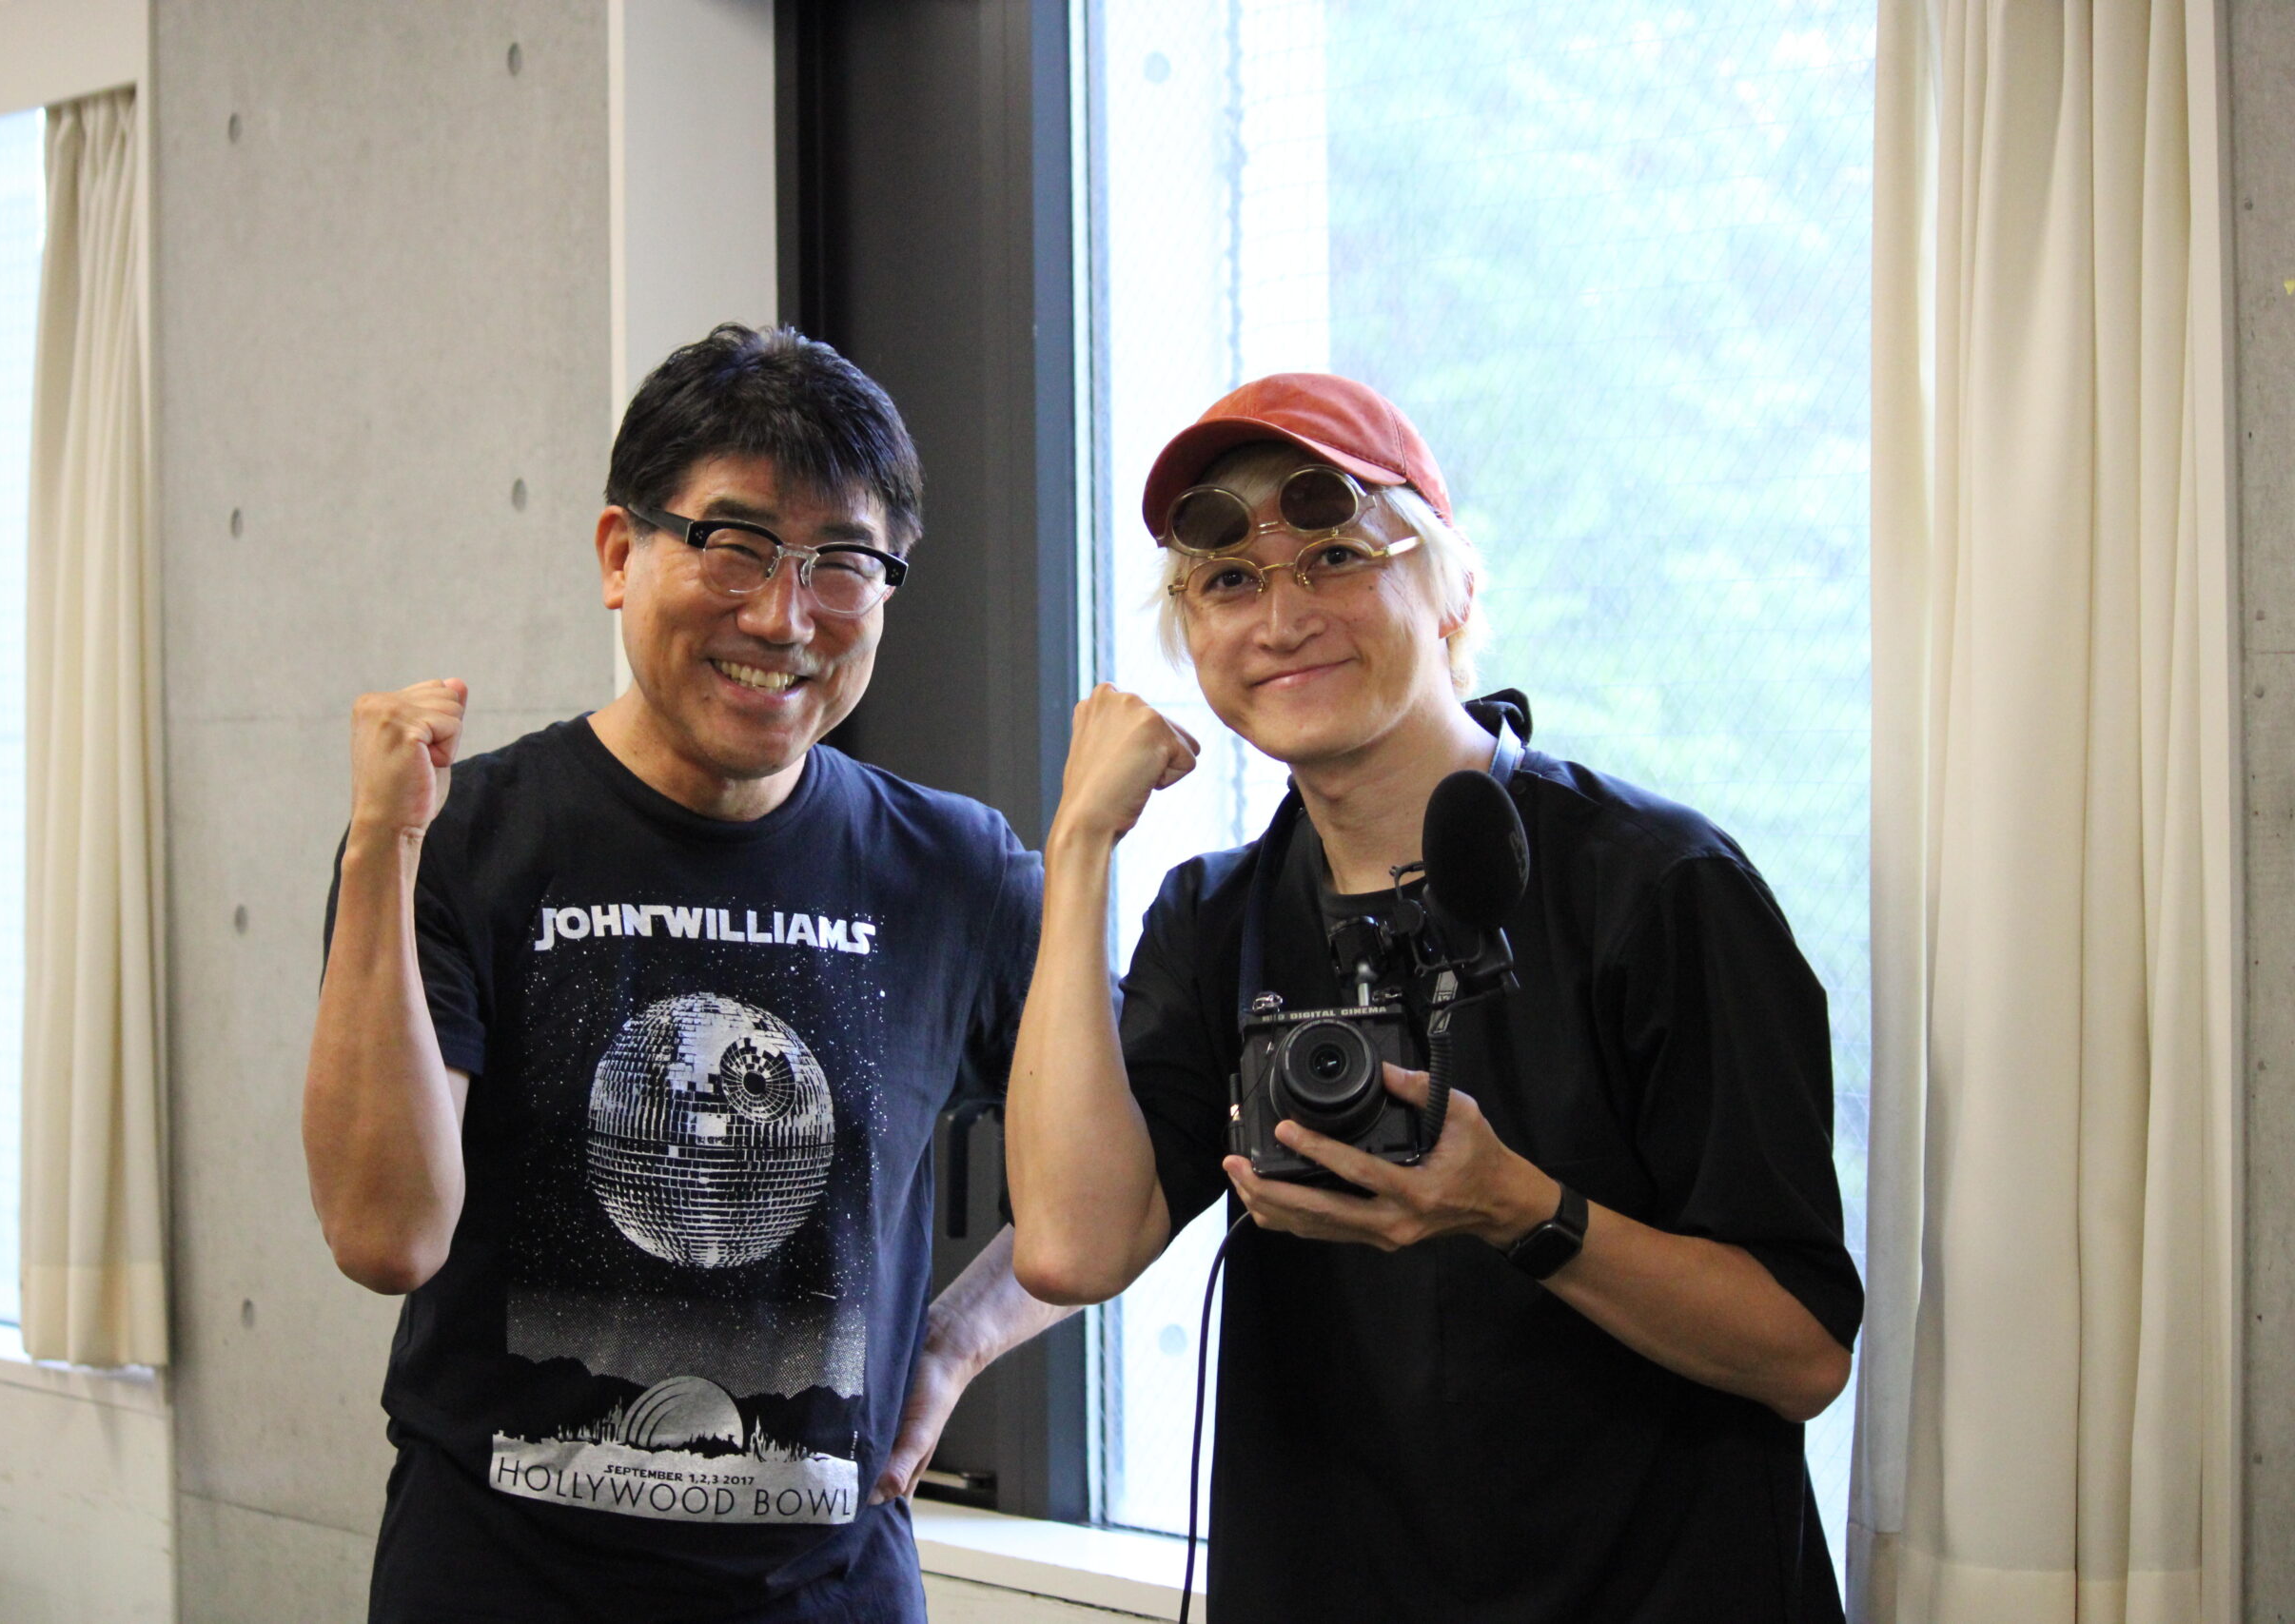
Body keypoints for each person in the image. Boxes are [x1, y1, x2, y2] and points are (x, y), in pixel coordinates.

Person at [1004, 373, 1863, 1621]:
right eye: (1230, 580)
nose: (1282, 618)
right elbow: (1071, 1249)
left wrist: (1516, 1208)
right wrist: (1079, 846)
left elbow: (1801, 1351)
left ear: (1455, 592)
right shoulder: (1218, 920)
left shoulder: (1654, 887)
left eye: (1338, 556)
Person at [303, 323, 1065, 1623]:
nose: (783, 615)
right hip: (500, 1586)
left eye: (842, 563)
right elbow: (385, 1237)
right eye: (736, 544)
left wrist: (958, 1339)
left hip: (826, 1593)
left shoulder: (954, 873)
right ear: (620, 554)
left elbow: (1145, 1152)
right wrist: (382, 847)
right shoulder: (463, 839)